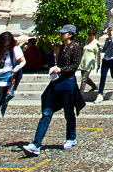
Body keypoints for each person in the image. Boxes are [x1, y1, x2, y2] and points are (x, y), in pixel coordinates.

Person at [23, 24, 85, 155]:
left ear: (70, 34)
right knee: (46, 112)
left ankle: (71, 137)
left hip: (67, 85)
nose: (61, 34)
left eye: (63, 33)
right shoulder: (62, 47)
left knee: (68, 113)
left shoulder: (75, 48)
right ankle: (36, 143)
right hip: (56, 83)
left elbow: (75, 66)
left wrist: (61, 70)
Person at [95, 27, 113, 101]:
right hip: (106, 59)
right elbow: (105, 49)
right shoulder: (107, 39)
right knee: (103, 76)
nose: (110, 33)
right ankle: (100, 94)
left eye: (111, 31)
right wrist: (99, 47)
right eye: (109, 32)